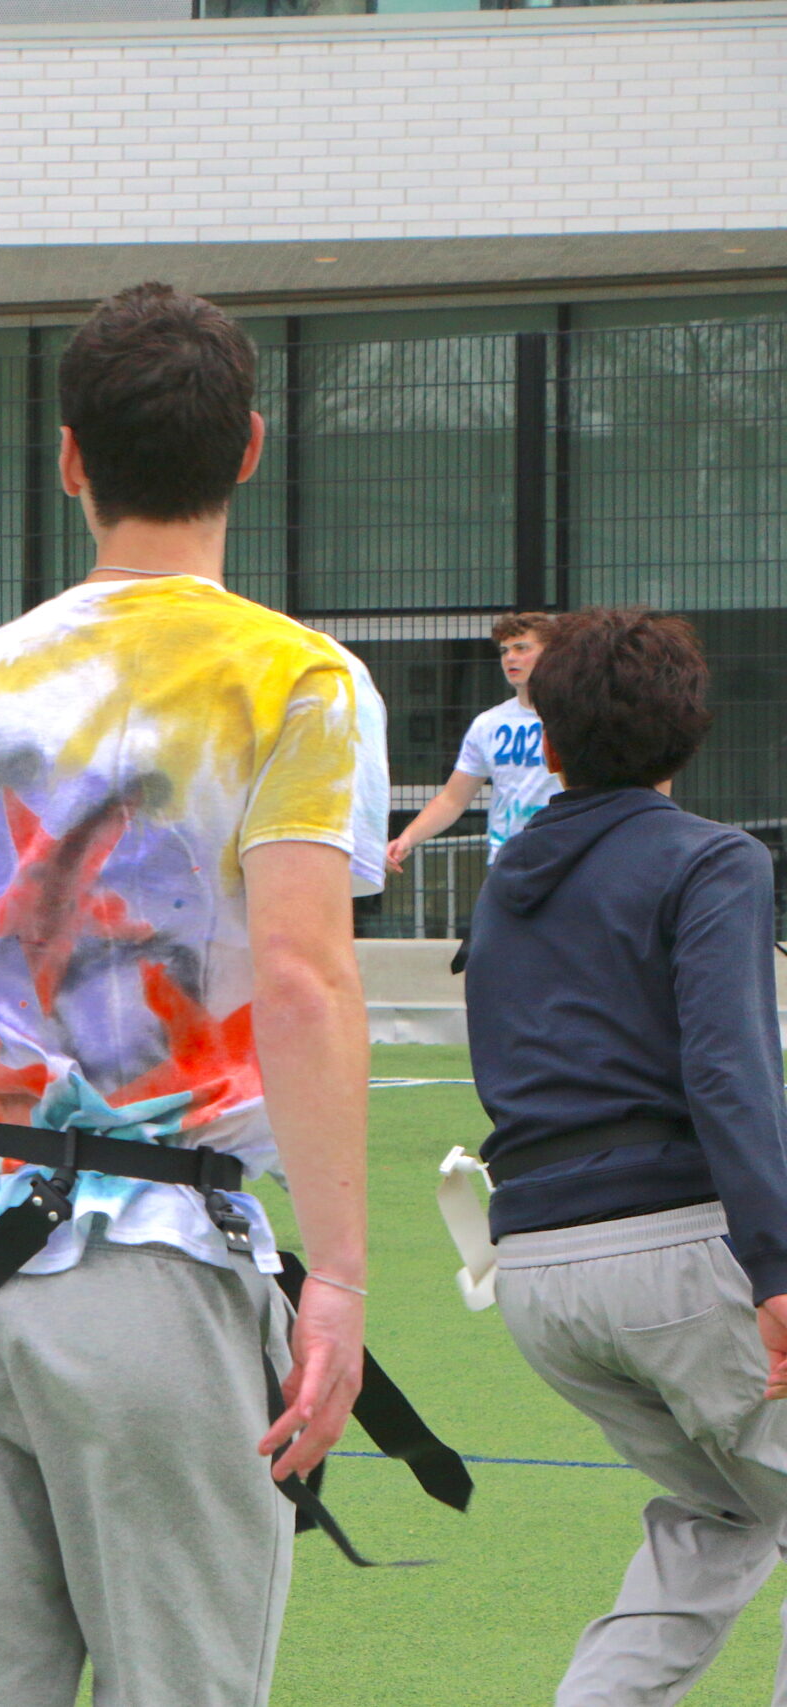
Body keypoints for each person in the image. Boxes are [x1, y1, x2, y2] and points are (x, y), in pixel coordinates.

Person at [0, 284, 390, 1705]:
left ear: (71, 456)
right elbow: (305, 973)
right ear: (251, 449)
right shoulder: (298, 682)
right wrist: (335, 1272)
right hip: (157, 1258)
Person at [464, 608, 787, 1704]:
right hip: (679, 1252)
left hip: (541, 1279)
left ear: (542, 745)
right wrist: (778, 1266)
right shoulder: (713, 861)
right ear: (693, 730)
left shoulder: (503, 887)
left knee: (724, 1512)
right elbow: (731, 1075)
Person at [388, 612, 561, 872]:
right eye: (504, 651)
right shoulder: (488, 724)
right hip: (508, 863)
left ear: (552, 654)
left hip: (568, 859)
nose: (510, 658)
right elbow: (453, 800)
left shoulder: (579, 716)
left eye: (521, 648)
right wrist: (406, 840)